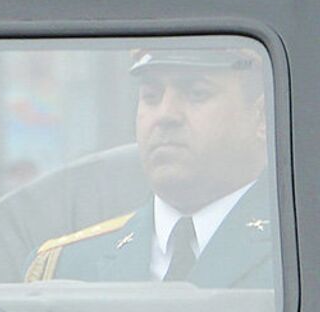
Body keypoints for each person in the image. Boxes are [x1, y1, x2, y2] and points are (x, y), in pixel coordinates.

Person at [26, 46, 273, 287]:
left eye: (197, 93)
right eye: (151, 97)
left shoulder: (299, 253)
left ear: (262, 116)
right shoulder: (66, 269)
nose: (165, 115)